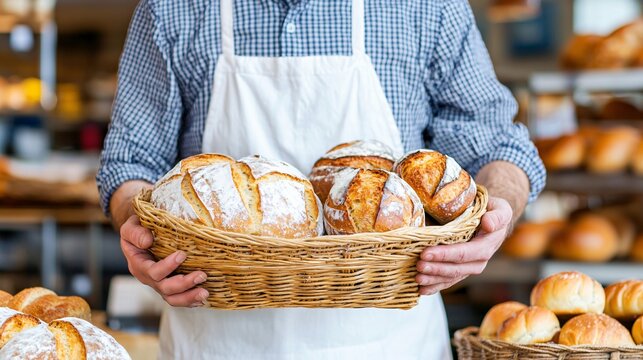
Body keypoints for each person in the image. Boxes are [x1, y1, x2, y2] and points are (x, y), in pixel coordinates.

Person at [98, 0, 545, 358]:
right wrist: (137, 228)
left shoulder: (427, 8)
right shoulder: (171, 8)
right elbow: (130, 164)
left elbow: (498, 147)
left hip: (389, 345)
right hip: (216, 340)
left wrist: (497, 215)